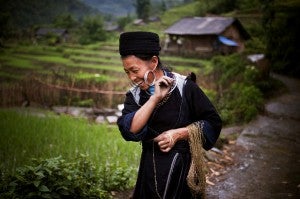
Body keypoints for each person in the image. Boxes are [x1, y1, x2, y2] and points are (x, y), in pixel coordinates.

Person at [117, 31, 222, 199]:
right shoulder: (135, 96)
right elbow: (129, 130)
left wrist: (179, 134)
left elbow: (213, 122)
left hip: (182, 169)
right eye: (127, 72)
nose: (132, 77)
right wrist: (154, 98)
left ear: (153, 62)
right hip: (150, 168)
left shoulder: (184, 87)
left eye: (134, 70)